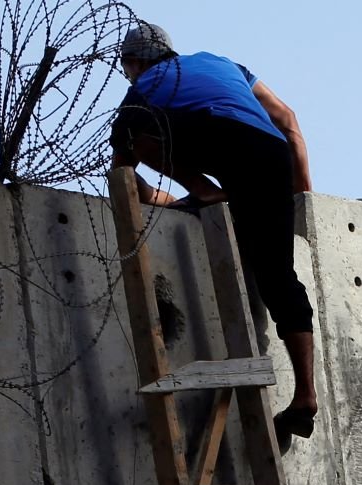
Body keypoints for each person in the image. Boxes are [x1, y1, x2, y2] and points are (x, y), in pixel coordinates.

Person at [108, 22, 320, 441]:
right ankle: (305, 396)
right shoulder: (225, 65)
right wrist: (301, 199)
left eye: (127, 68)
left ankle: (205, 191)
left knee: (136, 137)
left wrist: (178, 194)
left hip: (222, 148)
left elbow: (124, 174)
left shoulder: (142, 90)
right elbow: (289, 122)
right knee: (280, 279)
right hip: (270, 155)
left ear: (134, 63)